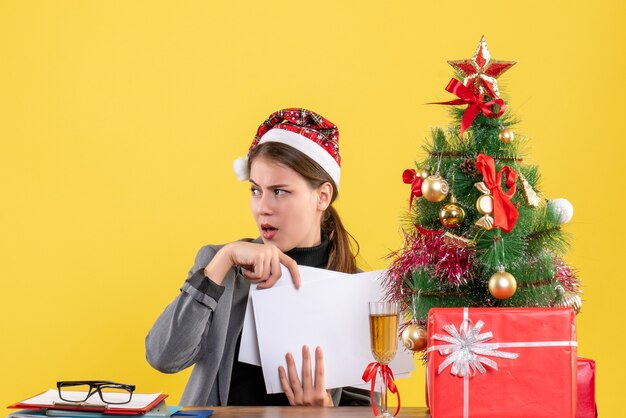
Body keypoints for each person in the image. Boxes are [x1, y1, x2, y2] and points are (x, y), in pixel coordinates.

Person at [145, 108, 367, 407]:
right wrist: (223, 261)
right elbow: (163, 356)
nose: (263, 207)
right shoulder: (220, 264)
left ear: (322, 196)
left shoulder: (354, 288)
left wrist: (324, 410)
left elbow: (367, 408)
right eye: (255, 190)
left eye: (280, 191)